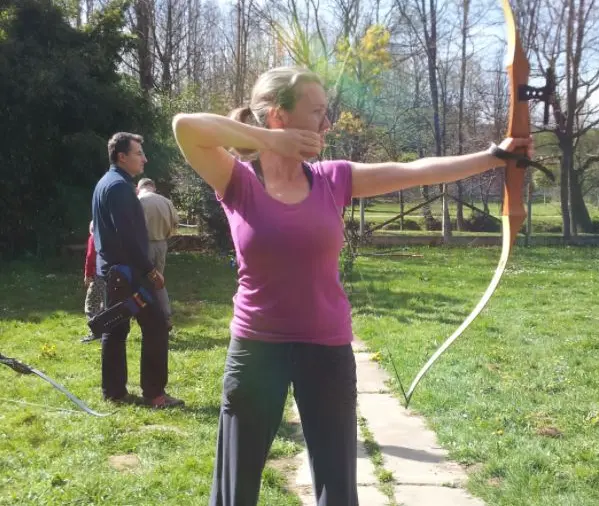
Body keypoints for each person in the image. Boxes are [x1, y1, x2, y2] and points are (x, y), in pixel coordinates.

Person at [172, 66, 534, 506]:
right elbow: (185, 127)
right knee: (236, 480)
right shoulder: (238, 181)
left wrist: (493, 156)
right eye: (318, 111)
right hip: (256, 347)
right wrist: (270, 142)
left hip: (326, 346)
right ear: (278, 116)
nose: (328, 124)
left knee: (337, 481)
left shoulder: (332, 177)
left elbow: (415, 170)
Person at [92, 132, 184, 409]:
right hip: (128, 275)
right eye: (138, 153)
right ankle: (155, 394)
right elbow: (128, 236)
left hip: (113, 272)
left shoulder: (106, 183)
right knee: (156, 326)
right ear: (122, 157)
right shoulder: (119, 187)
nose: (144, 158)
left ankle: (114, 392)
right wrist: (151, 271)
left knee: (115, 330)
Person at [136, 177, 180, 330]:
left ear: (138, 188)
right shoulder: (166, 201)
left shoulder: (138, 201)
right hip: (161, 244)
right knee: (158, 281)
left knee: (141, 281)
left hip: (143, 246)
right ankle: (165, 317)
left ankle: (146, 316)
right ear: (152, 187)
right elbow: (176, 223)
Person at [81, 220, 105, 343]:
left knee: (90, 304)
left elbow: (90, 256)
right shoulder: (110, 237)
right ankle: (107, 332)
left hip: (99, 275)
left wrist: (88, 274)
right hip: (113, 275)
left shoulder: (93, 239)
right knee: (106, 304)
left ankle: (96, 332)